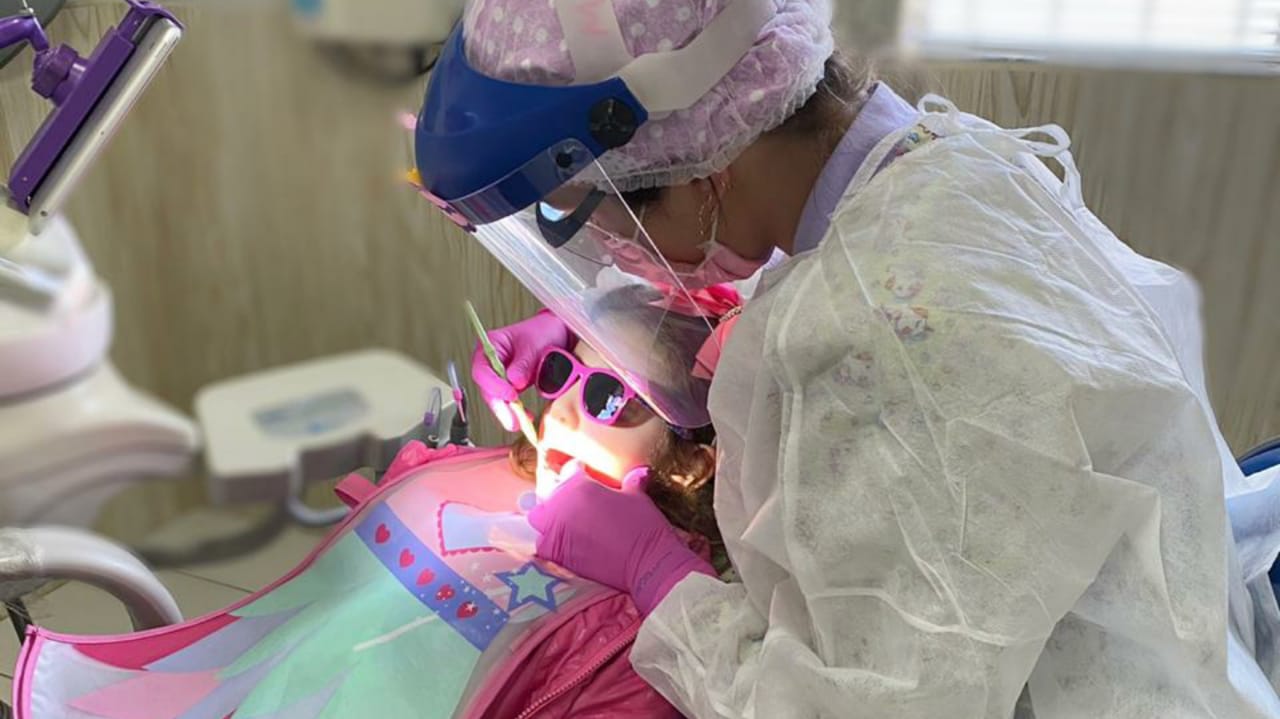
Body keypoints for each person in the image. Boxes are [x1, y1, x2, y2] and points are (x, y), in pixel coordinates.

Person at [410, 0, 1280, 716]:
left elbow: (846, 705)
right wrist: (631, 341)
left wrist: (659, 577)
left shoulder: (868, 340)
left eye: (584, 217)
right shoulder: (945, 167)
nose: (603, 254)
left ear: (700, 170)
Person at [12, 325, 729, 719]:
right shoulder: (473, 473)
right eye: (562, 372)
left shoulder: (646, 644)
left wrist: (650, 571)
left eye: (611, 399)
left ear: (690, 466)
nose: (565, 409)